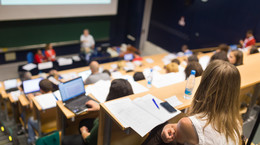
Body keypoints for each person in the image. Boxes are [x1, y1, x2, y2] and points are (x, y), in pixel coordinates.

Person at [143, 60, 242, 145]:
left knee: (159, 129)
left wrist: (166, 127)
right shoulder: (237, 122)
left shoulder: (188, 124)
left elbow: (180, 129)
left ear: (204, 85)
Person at [62, 79, 134, 145]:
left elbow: (89, 139)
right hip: (119, 139)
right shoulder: (128, 109)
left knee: (64, 140)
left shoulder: (105, 120)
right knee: (84, 122)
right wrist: (100, 107)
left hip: (98, 140)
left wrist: (84, 131)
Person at [27, 79, 53, 145]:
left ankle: (31, 141)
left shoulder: (38, 99)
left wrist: (31, 99)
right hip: (57, 124)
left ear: (41, 90)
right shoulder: (56, 95)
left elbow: (31, 108)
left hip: (44, 126)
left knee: (30, 119)